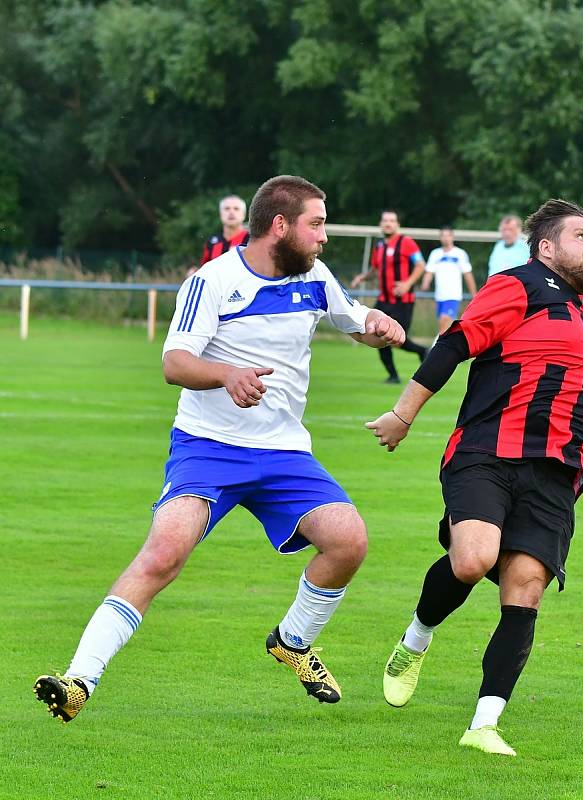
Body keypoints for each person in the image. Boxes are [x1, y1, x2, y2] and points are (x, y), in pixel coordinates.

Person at [34, 175, 405, 723]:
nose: (324, 237)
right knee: (163, 555)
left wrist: (377, 324)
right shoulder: (214, 281)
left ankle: (293, 642)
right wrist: (226, 375)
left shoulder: (316, 278)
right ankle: (78, 681)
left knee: (348, 542)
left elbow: (356, 325)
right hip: (209, 448)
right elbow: (174, 363)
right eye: (317, 224)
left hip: (283, 453)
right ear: (280, 226)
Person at [365, 199, 583, 757]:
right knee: (473, 560)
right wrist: (402, 415)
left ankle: (484, 724)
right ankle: (415, 639)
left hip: (556, 474)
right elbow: (453, 344)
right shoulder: (517, 284)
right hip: (488, 454)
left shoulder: (581, 313)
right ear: (547, 247)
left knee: (523, 589)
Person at [350, 210, 429, 383]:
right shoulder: (379, 246)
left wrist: (408, 283)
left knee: (398, 338)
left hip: (403, 301)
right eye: (385, 220)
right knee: (377, 334)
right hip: (383, 300)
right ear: (381, 223)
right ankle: (393, 376)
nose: (388, 223)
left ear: (398, 224)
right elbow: (375, 270)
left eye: (392, 221)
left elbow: (421, 265)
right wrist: (362, 277)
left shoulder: (406, 242)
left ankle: (423, 351)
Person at [420, 226, 477, 336]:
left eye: (448, 235)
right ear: (440, 238)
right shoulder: (435, 254)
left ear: (452, 237)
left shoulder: (460, 254)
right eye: (443, 236)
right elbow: (429, 272)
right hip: (440, 296)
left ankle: (437, 348)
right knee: (445, 325)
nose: (446, 238)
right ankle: (449, 346)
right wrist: (425, 283)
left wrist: (474, 295)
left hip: (453, 296)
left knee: (444, 321)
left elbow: (467, 274)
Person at [197, 194, 251, 268]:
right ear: (220, 214)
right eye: (227, 209)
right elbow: (204, 271)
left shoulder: (252, 240)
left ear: (244, 215)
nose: (231, 212)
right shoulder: (212, 242)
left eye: (236, 209)